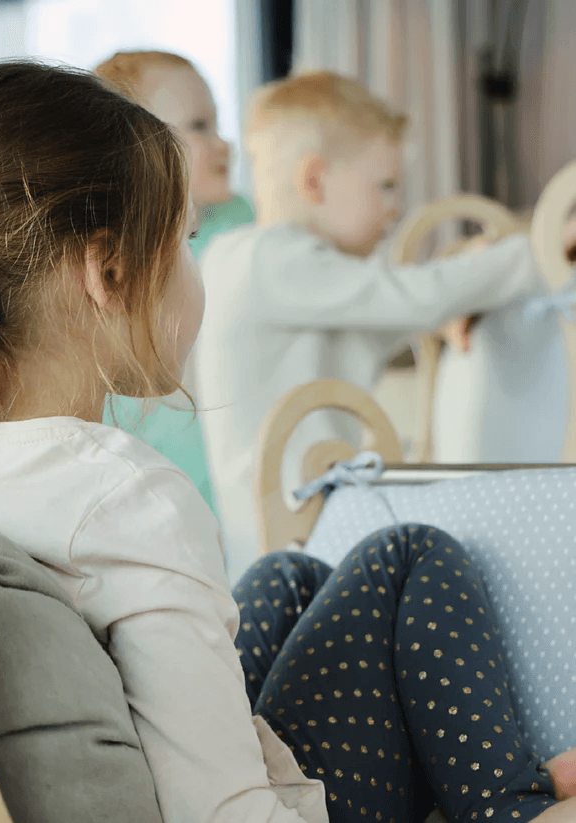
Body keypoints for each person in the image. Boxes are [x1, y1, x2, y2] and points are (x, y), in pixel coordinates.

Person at [0, 60, 576, 823]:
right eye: (184, 239)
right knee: (407, 551)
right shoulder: (122, 497)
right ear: (106, 269)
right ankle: (512, 804)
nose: (198, 262)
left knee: (286, 575)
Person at [194, 71, 546, 584]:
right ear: (314, 181)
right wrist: (530, 252)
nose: (395, 207)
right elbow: (406, 299)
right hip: (289, 543)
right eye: (384, 186)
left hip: (284, 539)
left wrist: (445, 310)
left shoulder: (257, 264)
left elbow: (379, 320)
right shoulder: (267, 259)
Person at [94, 50, 254, 515]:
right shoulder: (123, 250)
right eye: (200, 126)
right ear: (136, 145)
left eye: (218, 124)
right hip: (147, 449)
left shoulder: (239, 221)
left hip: (226, 442)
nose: (224, 143)